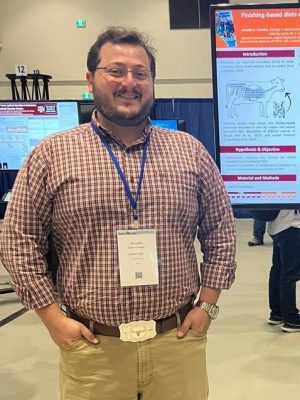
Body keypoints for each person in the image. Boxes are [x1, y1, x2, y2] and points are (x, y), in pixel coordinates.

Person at [0, 27, 237, 400]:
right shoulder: (51, 154)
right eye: (116, 70)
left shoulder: (189, 151)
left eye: (140, 73)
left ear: (152, 82)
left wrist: (208, 305)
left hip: (177, 343)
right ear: (91, 79)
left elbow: (221, 231)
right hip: (93, 350)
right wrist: (52, 318)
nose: (130, 82)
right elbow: (18, 240)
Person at [267, 210, 300, 332]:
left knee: (278, 271)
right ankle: (291, 318)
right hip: (293, 225)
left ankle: (277, 312)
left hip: (278, 226)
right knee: (289, 275)